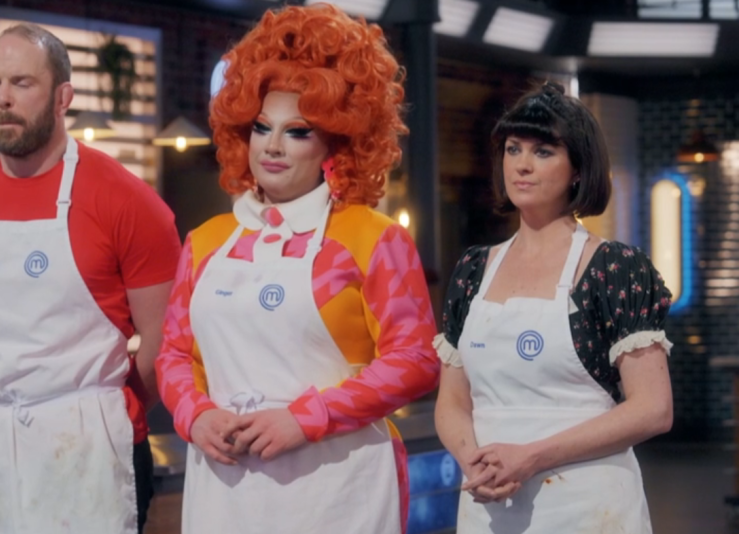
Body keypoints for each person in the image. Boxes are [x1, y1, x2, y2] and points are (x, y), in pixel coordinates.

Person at [155, 5, 441, 533]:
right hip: (225, 486)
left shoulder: (374, 238)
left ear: (338, 140)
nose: (273, 146)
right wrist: (196, 415)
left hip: (338, 488)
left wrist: (305, 419)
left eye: (299, 131)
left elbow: (416, 360)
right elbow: (174, 353)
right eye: (262, 127)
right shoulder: (206, 242)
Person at [0, 23, 180, 533]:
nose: (2, 99)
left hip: (87, 446)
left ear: (64, 96)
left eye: (22, 83)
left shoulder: (127, 202)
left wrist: (101, 406)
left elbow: (165, 339)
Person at [433, 82, 674, 533]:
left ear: (578, 170)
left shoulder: (614, 268)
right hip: (490, 504)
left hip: (589, 506)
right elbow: (452, 401)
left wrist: (531, 457)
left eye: (543, 152)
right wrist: (474, 461)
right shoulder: (472, 269)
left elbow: (653, 408)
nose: (521, 164)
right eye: (512, 149)